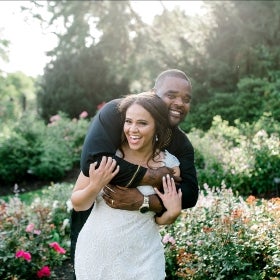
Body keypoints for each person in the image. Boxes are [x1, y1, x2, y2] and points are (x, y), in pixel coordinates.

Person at [70, 69, 199, 265]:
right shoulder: (118, 112)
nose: (180, 103)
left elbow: (189, 193)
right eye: (171, 95)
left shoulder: (181, 145)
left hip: (141, 251)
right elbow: (93, 162)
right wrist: (152, 176)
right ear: (153, 92)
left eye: (186, 99)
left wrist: (145, 201)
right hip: (94, 226)